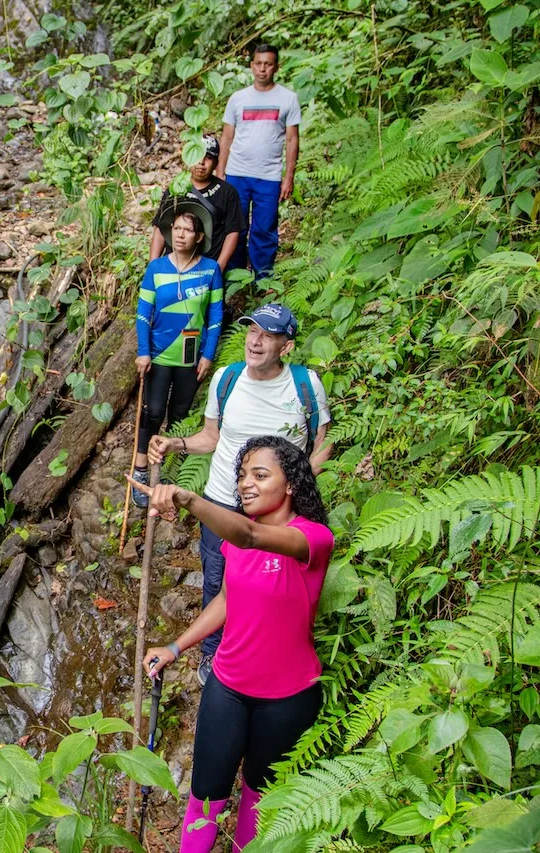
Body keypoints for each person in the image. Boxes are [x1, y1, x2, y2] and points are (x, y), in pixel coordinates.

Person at [130, 435, 334, 853]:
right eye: (242, 475)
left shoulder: (312, 538)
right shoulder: (235, 540)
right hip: (228, 688)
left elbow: (250, 536)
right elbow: (226, 598)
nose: (246, 484)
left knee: (261, 797)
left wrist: (188, 500)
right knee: (205, 792)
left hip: (288, 698)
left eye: (260, 475)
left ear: (291, 483)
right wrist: (176, 647)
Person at [147, 303, 331, 682]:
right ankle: (213, 654)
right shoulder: (227, 379)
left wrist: (299, 486)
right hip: (222, 497)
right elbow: (211, 437)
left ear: (286, 346)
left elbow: (323, 445)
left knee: (274, 582)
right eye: (251, 331)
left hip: (279, 505)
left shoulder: (305, 385)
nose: (255, 341)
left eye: (267, 335)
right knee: (218, 579)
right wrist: (174, 443)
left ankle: (270, 653)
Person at [132, 201, 224, 508]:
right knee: (152, 412)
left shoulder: (210, 270)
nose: (181, 235)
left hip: (191, 357)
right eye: (177, 228)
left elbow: (215, 316)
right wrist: (143, 352)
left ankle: (170, 474)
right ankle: (142, 466)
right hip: (158, 356)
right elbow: (143, 314)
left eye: (188, 230)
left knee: (180, 415)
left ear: (199, 237)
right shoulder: (156, 268)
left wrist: (208, 354)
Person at [216, 43, 301, 280]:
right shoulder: (238, 98)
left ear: (276, 67)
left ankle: (262, 281)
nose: (263, 69)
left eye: (268, 64)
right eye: (259, 64)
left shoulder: (288, 98)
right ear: (252, 65)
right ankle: (235, 280)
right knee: (235, 229)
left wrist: (289, 177)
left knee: (264, 231)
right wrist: (221, 172)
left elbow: (292, 140)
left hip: (269, 176)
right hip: (237, 174)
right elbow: (227, 136)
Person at [149, 135, 245, 274]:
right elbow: (160, 228)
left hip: (207, 267)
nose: (201, 162)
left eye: (208, 157)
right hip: (173, 267)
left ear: (216, 162)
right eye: (197, 156)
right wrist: (153, 265)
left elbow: (232, 232)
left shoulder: (227, 193)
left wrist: (219, 267)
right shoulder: (176, 188)